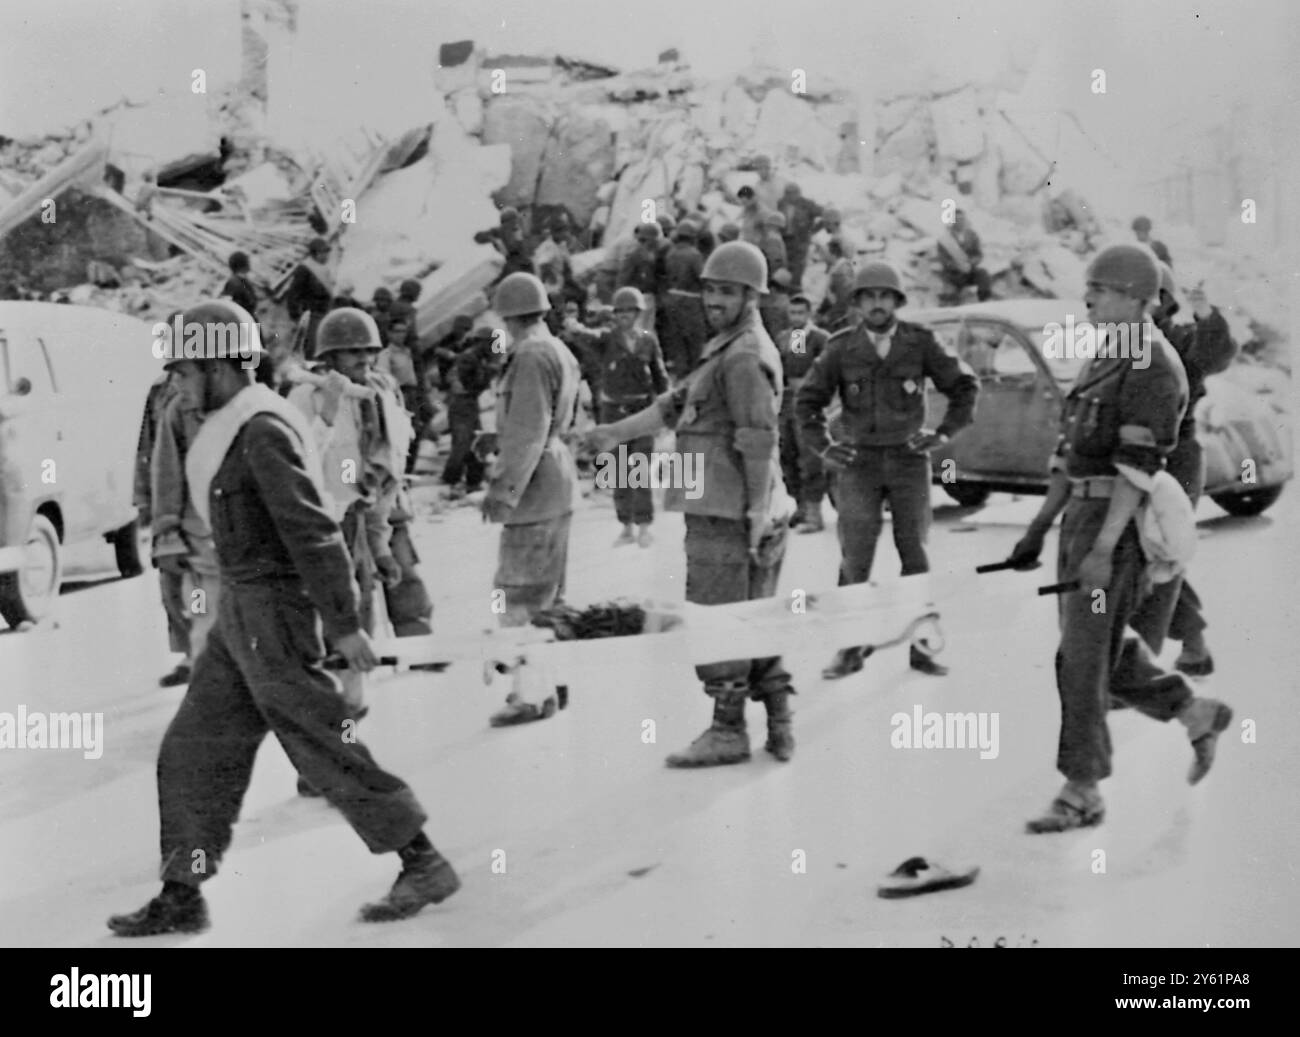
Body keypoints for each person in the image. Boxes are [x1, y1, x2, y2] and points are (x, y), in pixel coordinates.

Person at [108, 299, 458, 935]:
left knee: (325, 745)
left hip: (274, 611)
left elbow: (313, 531)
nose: (179, 387)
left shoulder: (261, 430)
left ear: (220, 366)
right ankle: (183, 893)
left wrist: (346, 625)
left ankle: (422, 860)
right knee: (191, 750)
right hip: (241, 608)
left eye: (186, 372)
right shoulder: (224, 420)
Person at [1003, 245, 1232, 833]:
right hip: (1082, 524)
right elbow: (1071, 454)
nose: (1089, 297)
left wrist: (1103, 551)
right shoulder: (1110, 353)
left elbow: (1136, 470)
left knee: (1082, 658)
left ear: (1136, 297)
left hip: (1116, 530)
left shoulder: (1154, 365)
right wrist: (1036, 529)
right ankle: (1193, 711)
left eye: (1100, 288)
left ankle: (1083, 789)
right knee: (1094, 649)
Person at [585, 242, 798, 766]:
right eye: (709, 291)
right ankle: (779, 725)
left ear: (751, 295)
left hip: (730, 512)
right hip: (726, 504)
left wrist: (753, 516)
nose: (713, 301)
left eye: (726, 292)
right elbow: (673, 405)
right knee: (756, 616)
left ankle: (728, 731)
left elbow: (757, 438)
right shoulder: (726, 349)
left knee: (716, 620)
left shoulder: (745, 354)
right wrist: (614, 433)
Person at [797, 260, 979, 679]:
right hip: (858, 464)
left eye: (884, 296)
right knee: (854, 558)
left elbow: (964, 386)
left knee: (914, 554)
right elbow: (807, 401)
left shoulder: (919, 343)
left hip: (907, 461)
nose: (877, 305)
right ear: (857, 303)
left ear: (897, 301)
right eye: (868, 297)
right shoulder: (842, 347)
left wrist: (942, 434)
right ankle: (849, 648)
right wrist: (824, 446)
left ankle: (921, 647)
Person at [287, 308, 410, 760]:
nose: (363, 360)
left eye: (368, 351)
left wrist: (379, 543)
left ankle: (350, 735)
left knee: (358, 630)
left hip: (357, 526)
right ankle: (323, 753)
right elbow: (297, 462)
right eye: (352, 352)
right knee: (323, 637)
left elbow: (385, 471)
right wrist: (328, 411)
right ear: (330, 356)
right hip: (318, 530)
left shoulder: (377, 396)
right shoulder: (305, 395)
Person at [480, 273, 583, 726]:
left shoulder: (529, 355)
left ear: (507, 316)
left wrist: (502, 489)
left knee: (518, 594)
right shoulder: (557, 349)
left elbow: (526, 430)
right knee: (550, 596)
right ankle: (552, 684)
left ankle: (530, 696)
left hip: (534, 489)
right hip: (556, 479)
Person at [1130, 263, 1236, 675]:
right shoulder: (1130, 339)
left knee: (1160, 550)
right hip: (1142, 455)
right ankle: (1191, 644)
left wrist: (1206, 315)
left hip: (1176, 456)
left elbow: (1214, 353)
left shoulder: (1176, 338)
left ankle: (1148, 659)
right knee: (1145, 550)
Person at [568, 287, 669, 547]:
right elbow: (585, 336)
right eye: (621, 311)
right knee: (618, 470)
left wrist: (667, 409)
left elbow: (660, 377)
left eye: (630, 311)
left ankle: (644, 526)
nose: (625, 316)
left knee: (641, 469)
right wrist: (572, 324)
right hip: (613, 412)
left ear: (638, 313)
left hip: (642, 411)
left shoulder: (649, 340)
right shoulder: (606, 339)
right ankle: (626, 526)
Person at [150, 366, 221, 689]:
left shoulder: (253, 406)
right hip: (198, 529)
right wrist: (167, 530)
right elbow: (167, 470)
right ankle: (197, 661)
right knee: (198, 602)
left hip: (241, 529)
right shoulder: (179, 410)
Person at [777, 295, 829, 532]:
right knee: (788, 454)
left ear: (809, 314)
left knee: (809, 456)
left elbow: (828, 371)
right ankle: (800, 506)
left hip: (809, 401)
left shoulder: (819, 339)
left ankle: (814, 514)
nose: (796, 317)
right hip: (786, 400)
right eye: (792, 312)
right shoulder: (785, 338)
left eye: (800, 313)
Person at [443, 326, 499, 493]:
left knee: (476, 443)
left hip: (470, 404)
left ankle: (473, 480)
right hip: (463, 404)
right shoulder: (469, 358)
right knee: (462, 443)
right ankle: (452, 479)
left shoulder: (477, 358)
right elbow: (472, 383)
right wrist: (490, 371)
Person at [659, 223, 708, 379]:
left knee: (677, 338)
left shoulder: (671, 253)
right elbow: (702, 277)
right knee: (695, 338)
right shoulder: (694, 255)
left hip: (672, 298)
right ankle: (697, 374)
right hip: (690, 300)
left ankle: (681, 373)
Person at [285, 237, 333, 359]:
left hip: (323, 314)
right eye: (324, 253)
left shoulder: (324, 270)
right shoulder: (305, 269)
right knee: (312, 348)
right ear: (317, 254)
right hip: (312, 315)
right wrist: (296, 316)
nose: (327, 256)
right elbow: (294, 293)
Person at [937, 208, 992, 303]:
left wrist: (972, 262)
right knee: (950, 294)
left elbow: (978, 254)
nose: (960, 222)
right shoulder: (945, 240)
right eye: (957, 219)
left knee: (983, 274)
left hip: (970, 270)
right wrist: (957, 266)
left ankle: (984, 300)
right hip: (953, 274)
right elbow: (944, 260)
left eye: (962, 219)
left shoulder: (972, 235)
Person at [220, 251, 258, 316]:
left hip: (249, 320)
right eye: (247, 262)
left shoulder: (243, 280)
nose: (249, 264)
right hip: (243, 322)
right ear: (243, 264)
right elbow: (227, 306)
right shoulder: (233, 283)